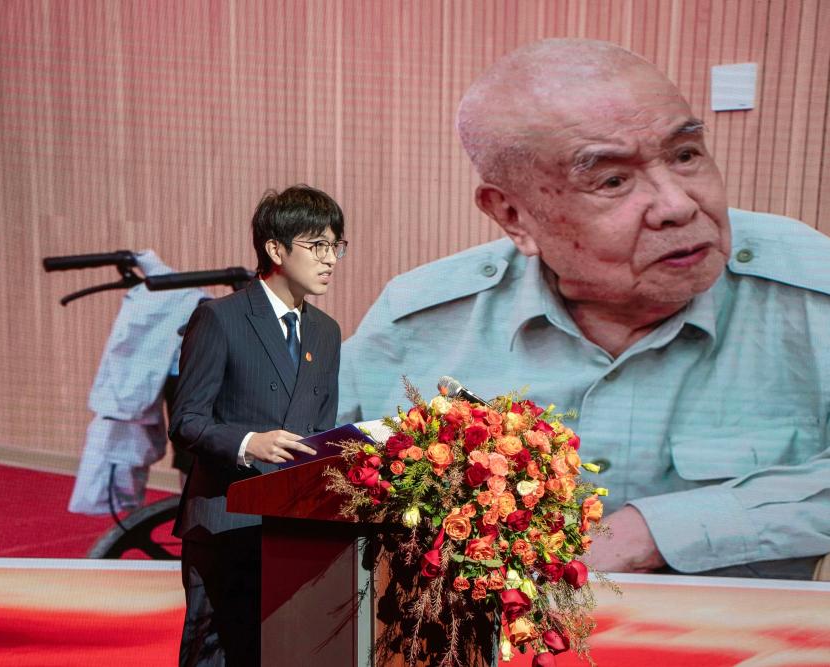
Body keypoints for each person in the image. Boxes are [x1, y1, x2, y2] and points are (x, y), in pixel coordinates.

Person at [338, 38, 830, 580]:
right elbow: (309, 477)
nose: (678, 205)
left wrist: (658, 531)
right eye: (613, 180)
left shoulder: (810, 290)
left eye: (686, 155)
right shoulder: (418, 324)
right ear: (513, 215)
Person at [169, 185, 346, 666]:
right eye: (318, 246)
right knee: (216, 655)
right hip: (227, 522)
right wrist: (250, 442)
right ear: (276, 249)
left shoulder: (326, 332)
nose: (331, 259)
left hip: (293, 528)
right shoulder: (220, 318)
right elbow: (186, 421)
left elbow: (321, 430)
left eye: (336, 247)